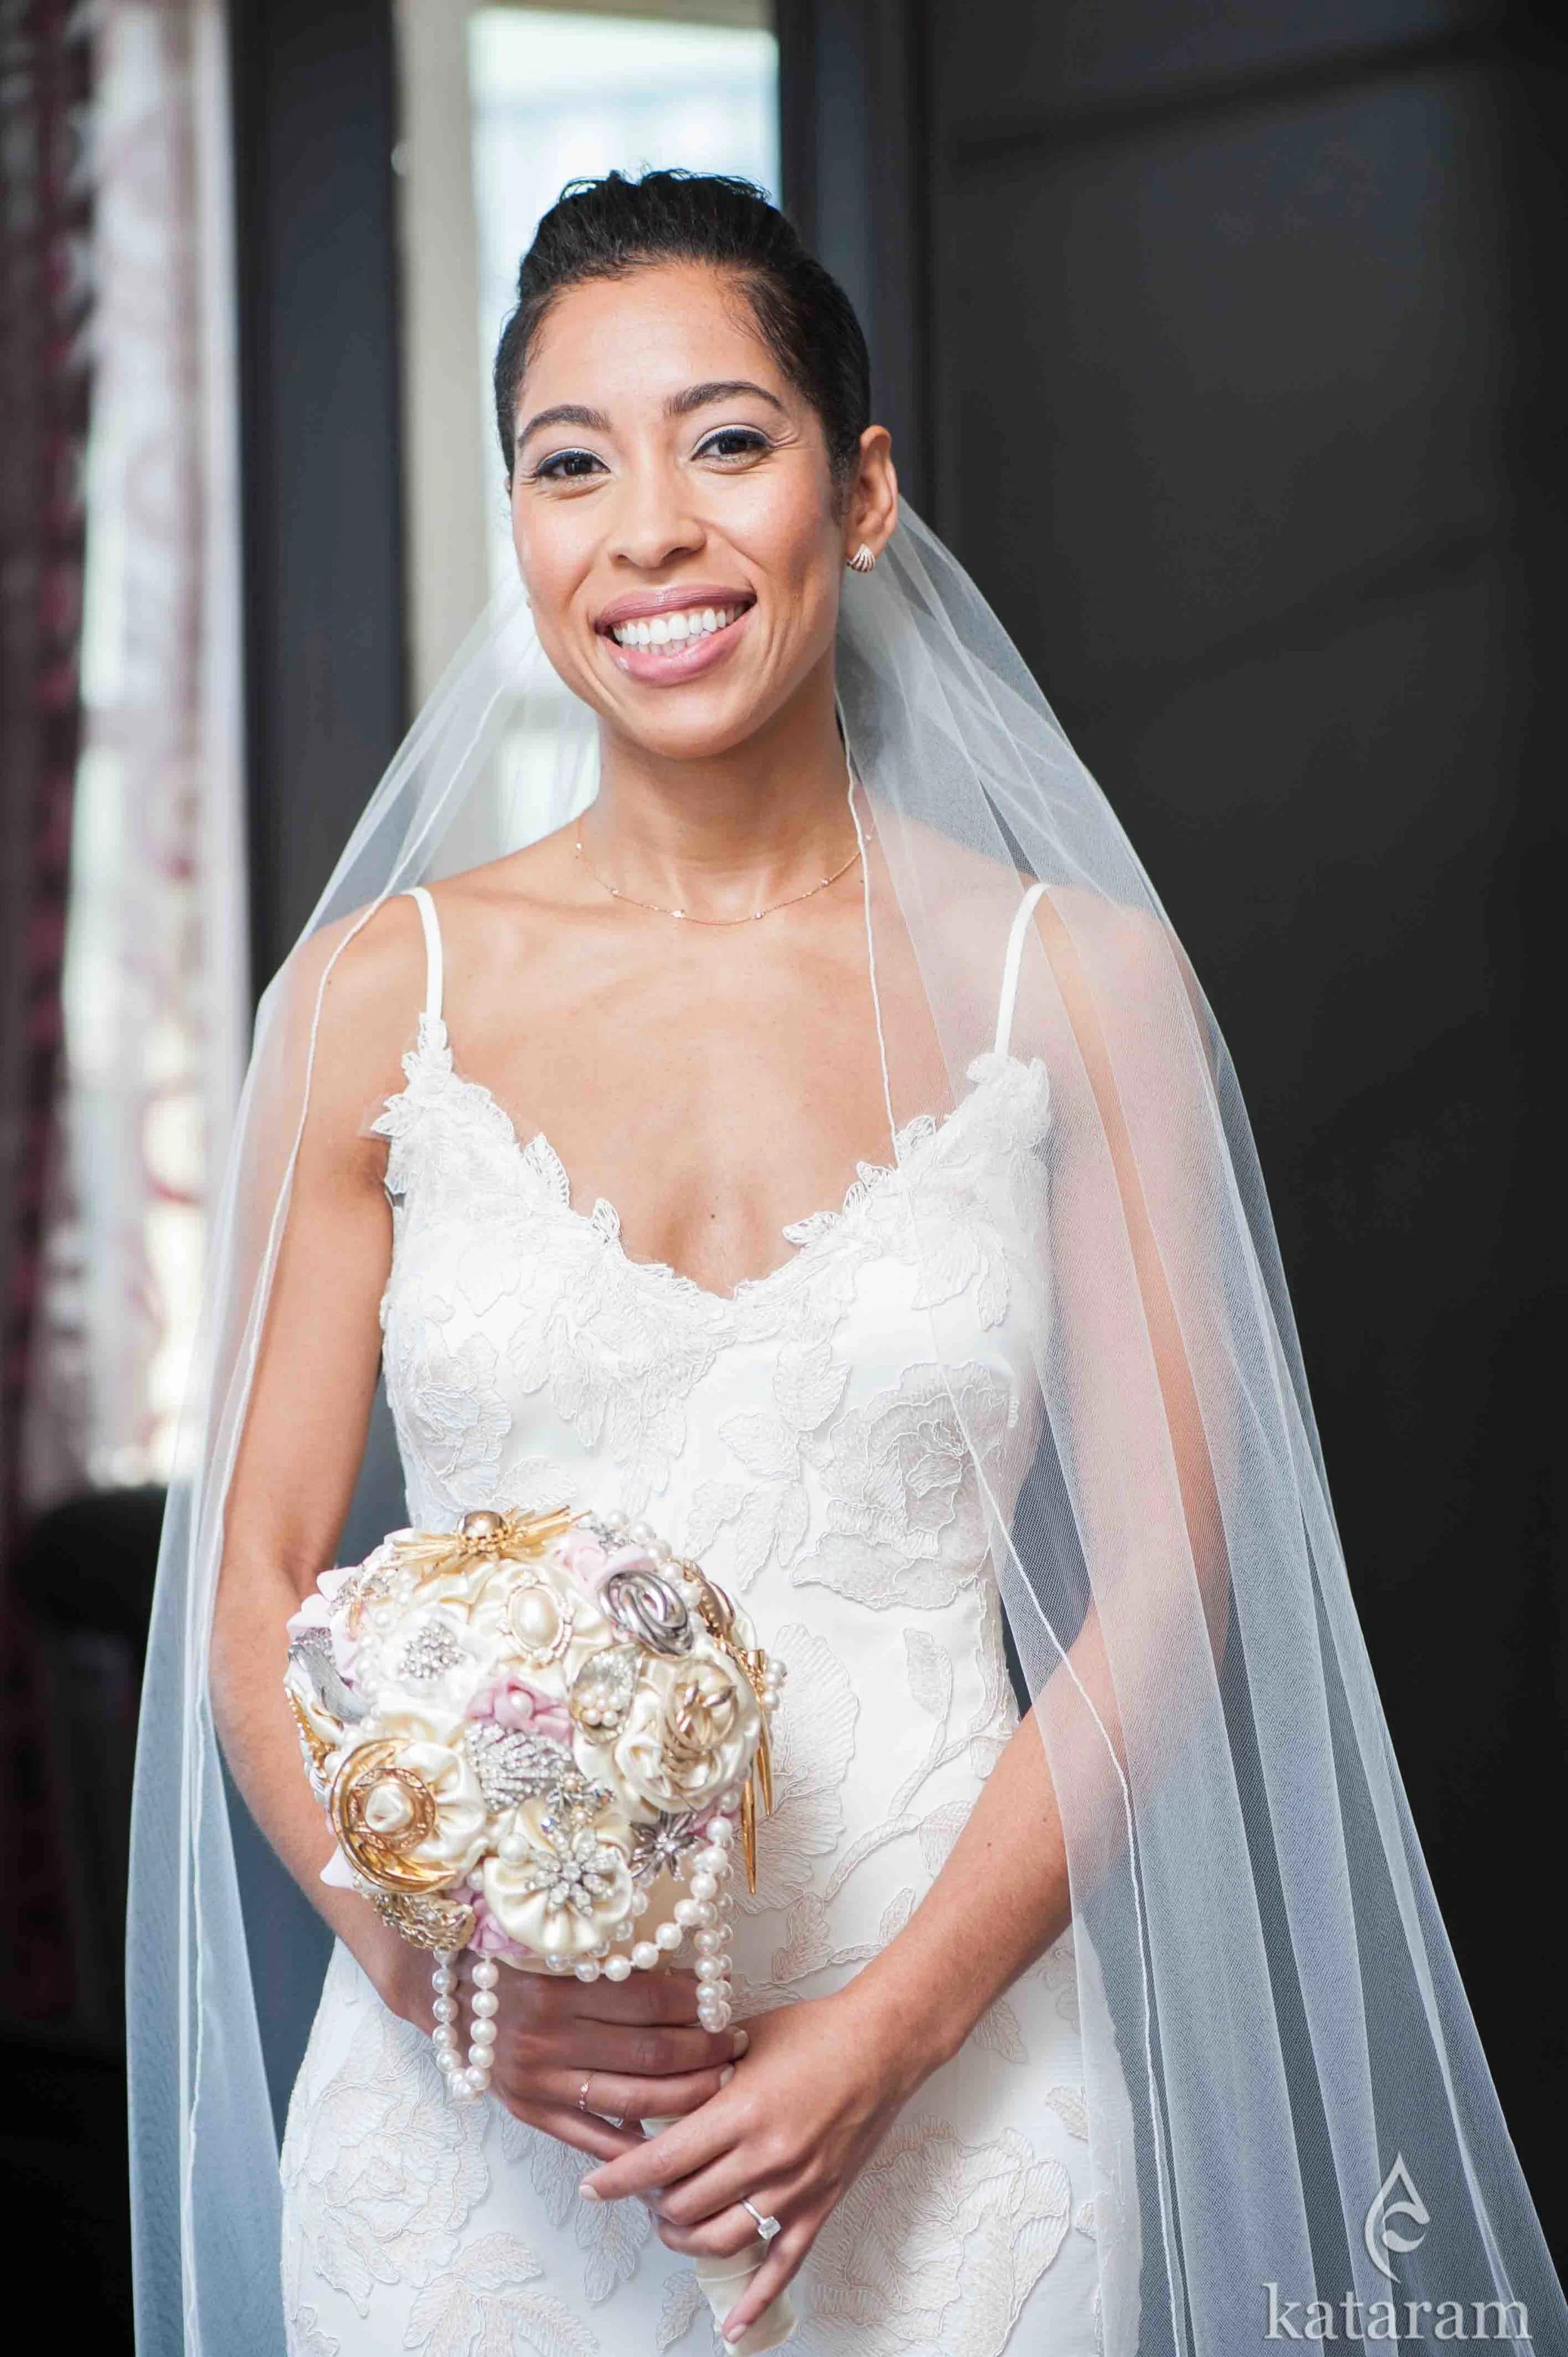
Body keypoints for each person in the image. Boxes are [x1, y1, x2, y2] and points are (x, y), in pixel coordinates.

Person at [129, 171, 1564, 2357]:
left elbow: (1168, 1580)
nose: (649, 532)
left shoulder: (1077, 984)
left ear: (861, 491)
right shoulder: (366, 998)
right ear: (519, 526)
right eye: (570, 466)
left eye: (726, 441)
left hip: (956, 2082)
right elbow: (252, 1580)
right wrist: (434, 1975)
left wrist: (885, 2037)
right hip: (484, 2118)